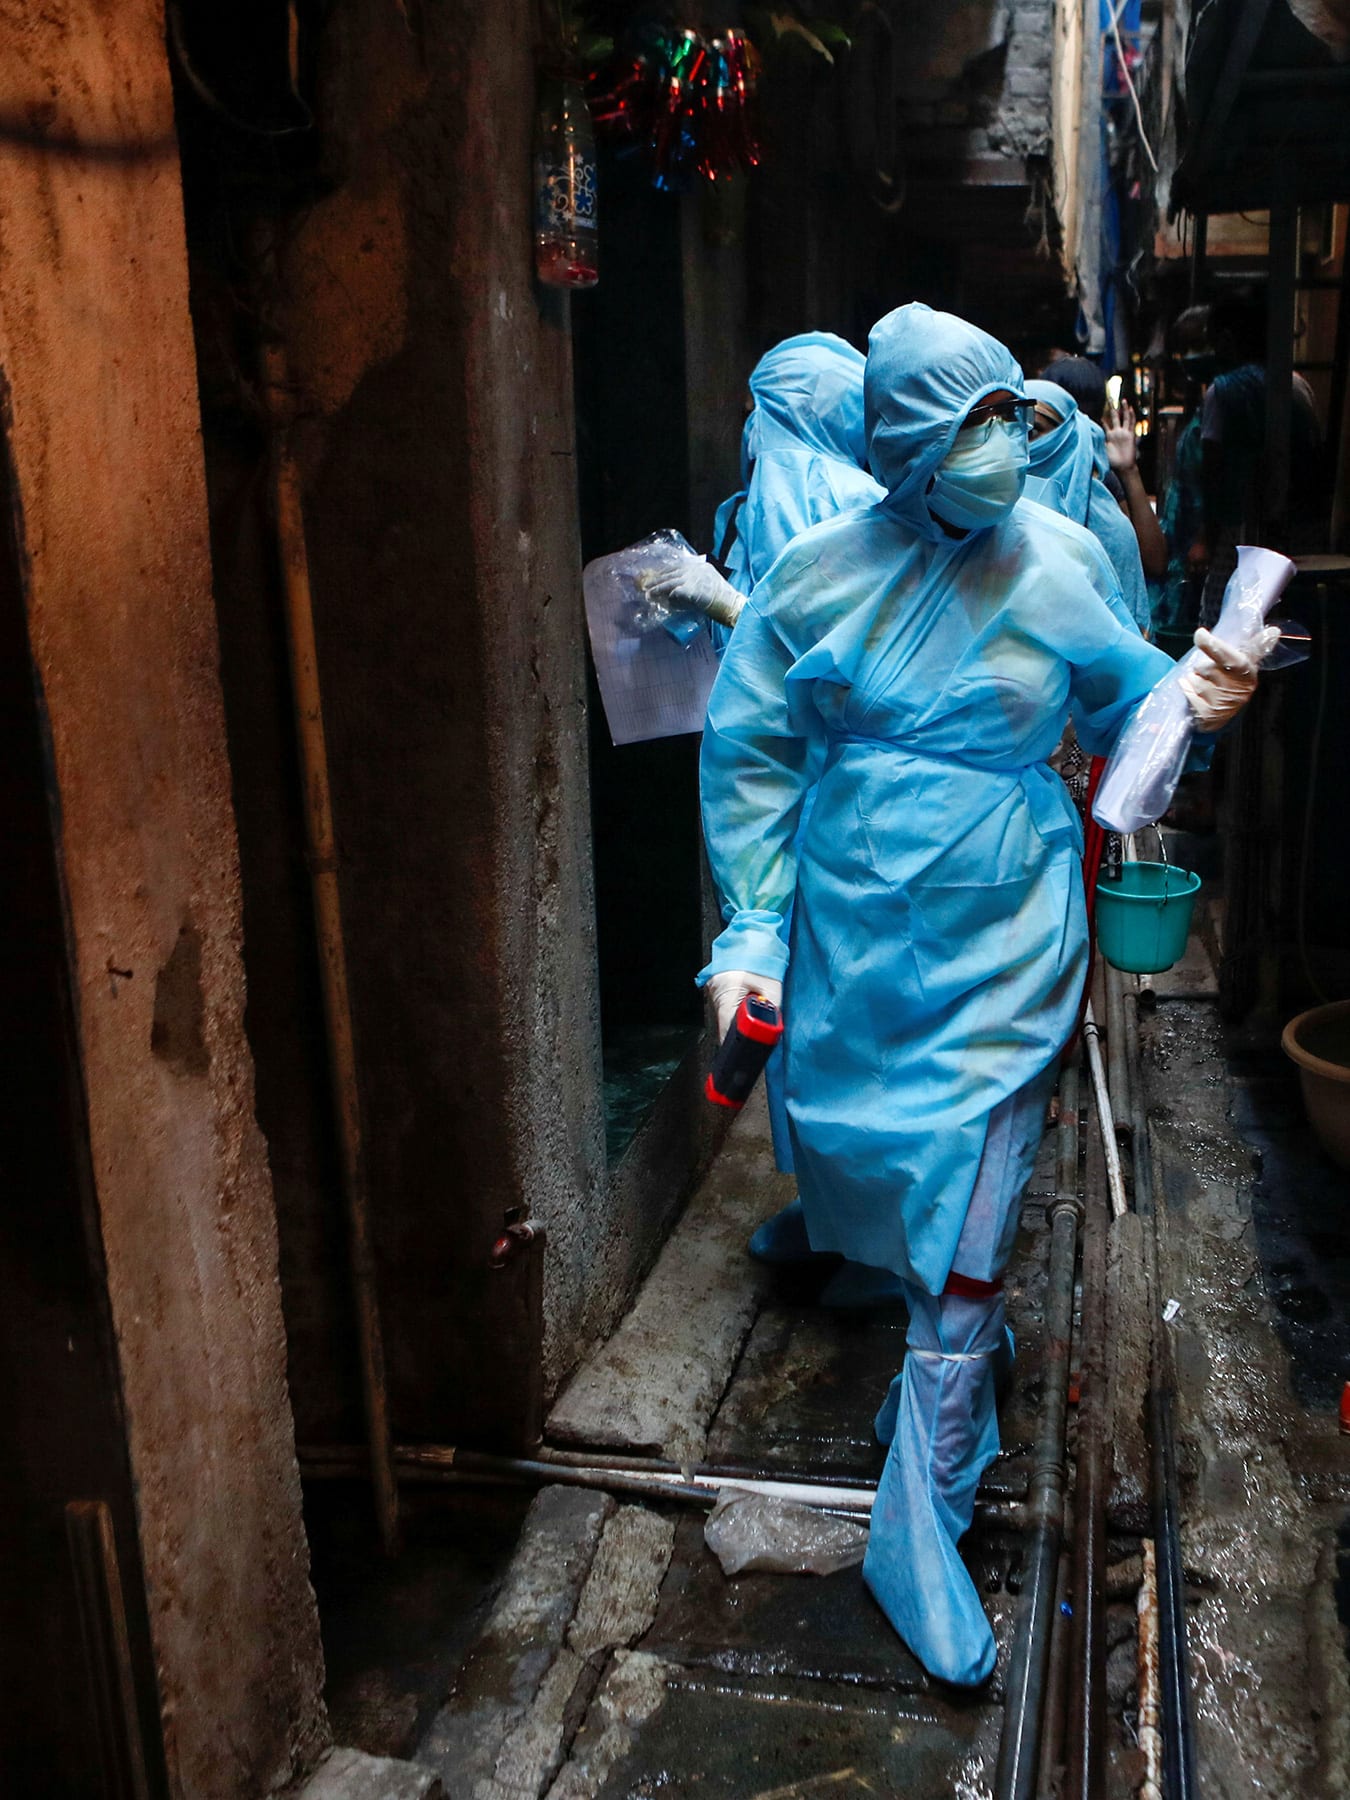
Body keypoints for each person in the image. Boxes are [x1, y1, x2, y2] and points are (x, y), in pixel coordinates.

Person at [697, 303, 1264, 1686]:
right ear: (897, 444)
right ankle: (919, 1292)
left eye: (1006, 413)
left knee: (978, 1205)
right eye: (966, 425)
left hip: (1007, 931)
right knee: (868, 1150)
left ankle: (920, 1513)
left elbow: (1126, 703)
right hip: (852, 925)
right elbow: (752, 752)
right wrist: (751, 933)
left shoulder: (1063, 560)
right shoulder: (815, 573)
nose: (997, 445)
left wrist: (1199, 693)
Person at [652, 334, 887, 1297]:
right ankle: (831, 1212)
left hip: (851, 811)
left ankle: (879, 1244)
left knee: (849, 1025)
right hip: (780, 804)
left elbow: (838, 667)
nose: (757, 434)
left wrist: (726, 603)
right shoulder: (766, 505)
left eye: (770, 413)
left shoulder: (870, 518)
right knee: (791, 1023)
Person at [1024, 379, 1154, 634]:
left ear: (1066, 437)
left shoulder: (1107, 525)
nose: (1023, 446)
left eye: (1033, 432)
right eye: (1014, 432)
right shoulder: (999, 508)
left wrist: (1128, 471)